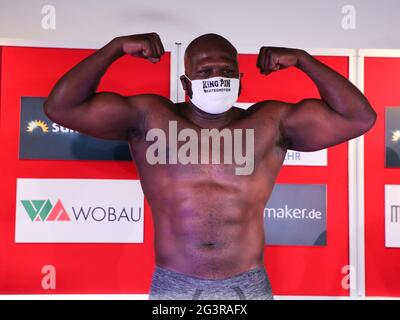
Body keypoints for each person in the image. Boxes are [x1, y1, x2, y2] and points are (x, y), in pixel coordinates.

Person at [44, 32, 376, 300]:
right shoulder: (150, 117)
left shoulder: (270, 121)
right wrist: (115, 48)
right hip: (175, 286)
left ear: (241, 81)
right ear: (187, 83)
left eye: (227, 71)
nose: (217, 78)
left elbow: (358, 117)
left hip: (247, 286)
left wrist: (304, 60)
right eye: (205, 71)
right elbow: (62, 107)